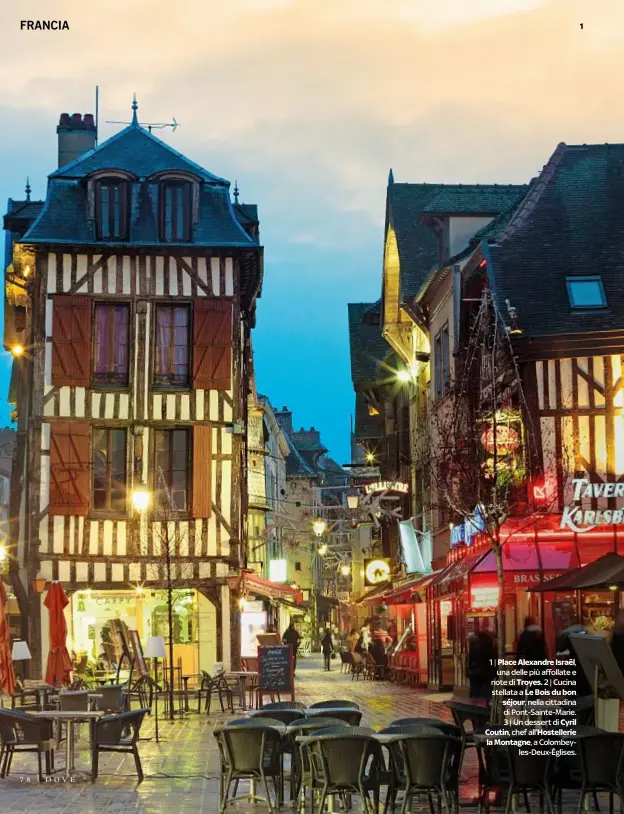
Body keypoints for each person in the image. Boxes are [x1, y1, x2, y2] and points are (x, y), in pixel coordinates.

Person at [467, 631, 496, 701]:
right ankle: (487, 703)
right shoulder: (490, 644)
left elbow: (471, 659)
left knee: (476, 692)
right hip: (488, 673)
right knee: (487, 691)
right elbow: (493, 659)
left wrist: (469, 670)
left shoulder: (474, 644)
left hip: (476, 673)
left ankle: (477, 703)